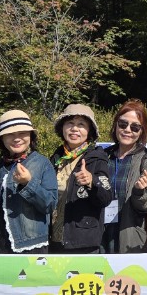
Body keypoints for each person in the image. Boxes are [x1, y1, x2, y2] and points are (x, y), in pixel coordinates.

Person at [0, 110, 58, 254]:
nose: (16, 138)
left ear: (31, 136)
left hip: (30, 246)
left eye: (22, 133)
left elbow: (50, 204)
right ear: (2, 139)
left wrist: (29, 183)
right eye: (10, 134)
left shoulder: (42, 163)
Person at [50, 104, 114, 253]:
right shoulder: (56, 158)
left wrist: (92, 182)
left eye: (81, 125)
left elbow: (106, 197)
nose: (75, 129)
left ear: (89, 131)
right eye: (70, 123)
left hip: (83, 243)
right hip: (54, 240)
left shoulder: (97, 158)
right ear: (62, 128)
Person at [102, 100, 147, 253]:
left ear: (142, 131)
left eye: (135, 127)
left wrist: (139, 192)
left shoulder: (146, 161)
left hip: (128, 238)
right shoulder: (102, 156)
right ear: (115, 125)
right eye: (123, 124)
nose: (128, 130)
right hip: (100, 235)